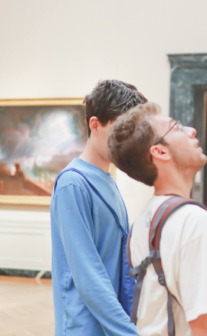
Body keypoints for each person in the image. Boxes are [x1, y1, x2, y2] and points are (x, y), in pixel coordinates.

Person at [107, 102, 207, 336]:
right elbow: (205, 326)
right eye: (176, 127)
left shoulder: (142, 221)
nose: (191, 130)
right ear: (160, 151)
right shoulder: (193, 220)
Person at [51, 80, 147, 336]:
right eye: (121, 130)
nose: (129, 141)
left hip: (111, 321)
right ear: (95, 124)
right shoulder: (72, 184)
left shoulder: (107, 180)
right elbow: (88, 276)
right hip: (86, 325)